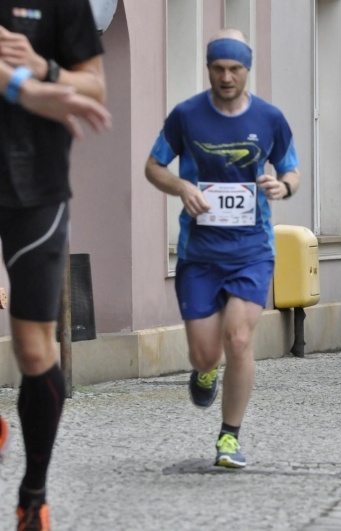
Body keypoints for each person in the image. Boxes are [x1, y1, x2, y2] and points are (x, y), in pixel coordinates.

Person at [145, 29, 300, 469]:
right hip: (200, 253)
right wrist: (180, 186)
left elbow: (291, 170)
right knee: (205, 352)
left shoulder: (270, 118)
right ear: (208, 68)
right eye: (218, 68)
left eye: (235, 69)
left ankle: (229, 437)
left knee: (239, 337)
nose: (227, 76)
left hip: (252, 249)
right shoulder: (187, 116)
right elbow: (154, 166)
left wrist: (281, 186)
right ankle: (204, 369)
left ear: (247, 70)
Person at [0, 2, 108, 528]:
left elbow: (94, 88)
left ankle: (32, 493)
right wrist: (29, 88)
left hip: (34, 188)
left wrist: (44, 71)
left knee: (33, 348)